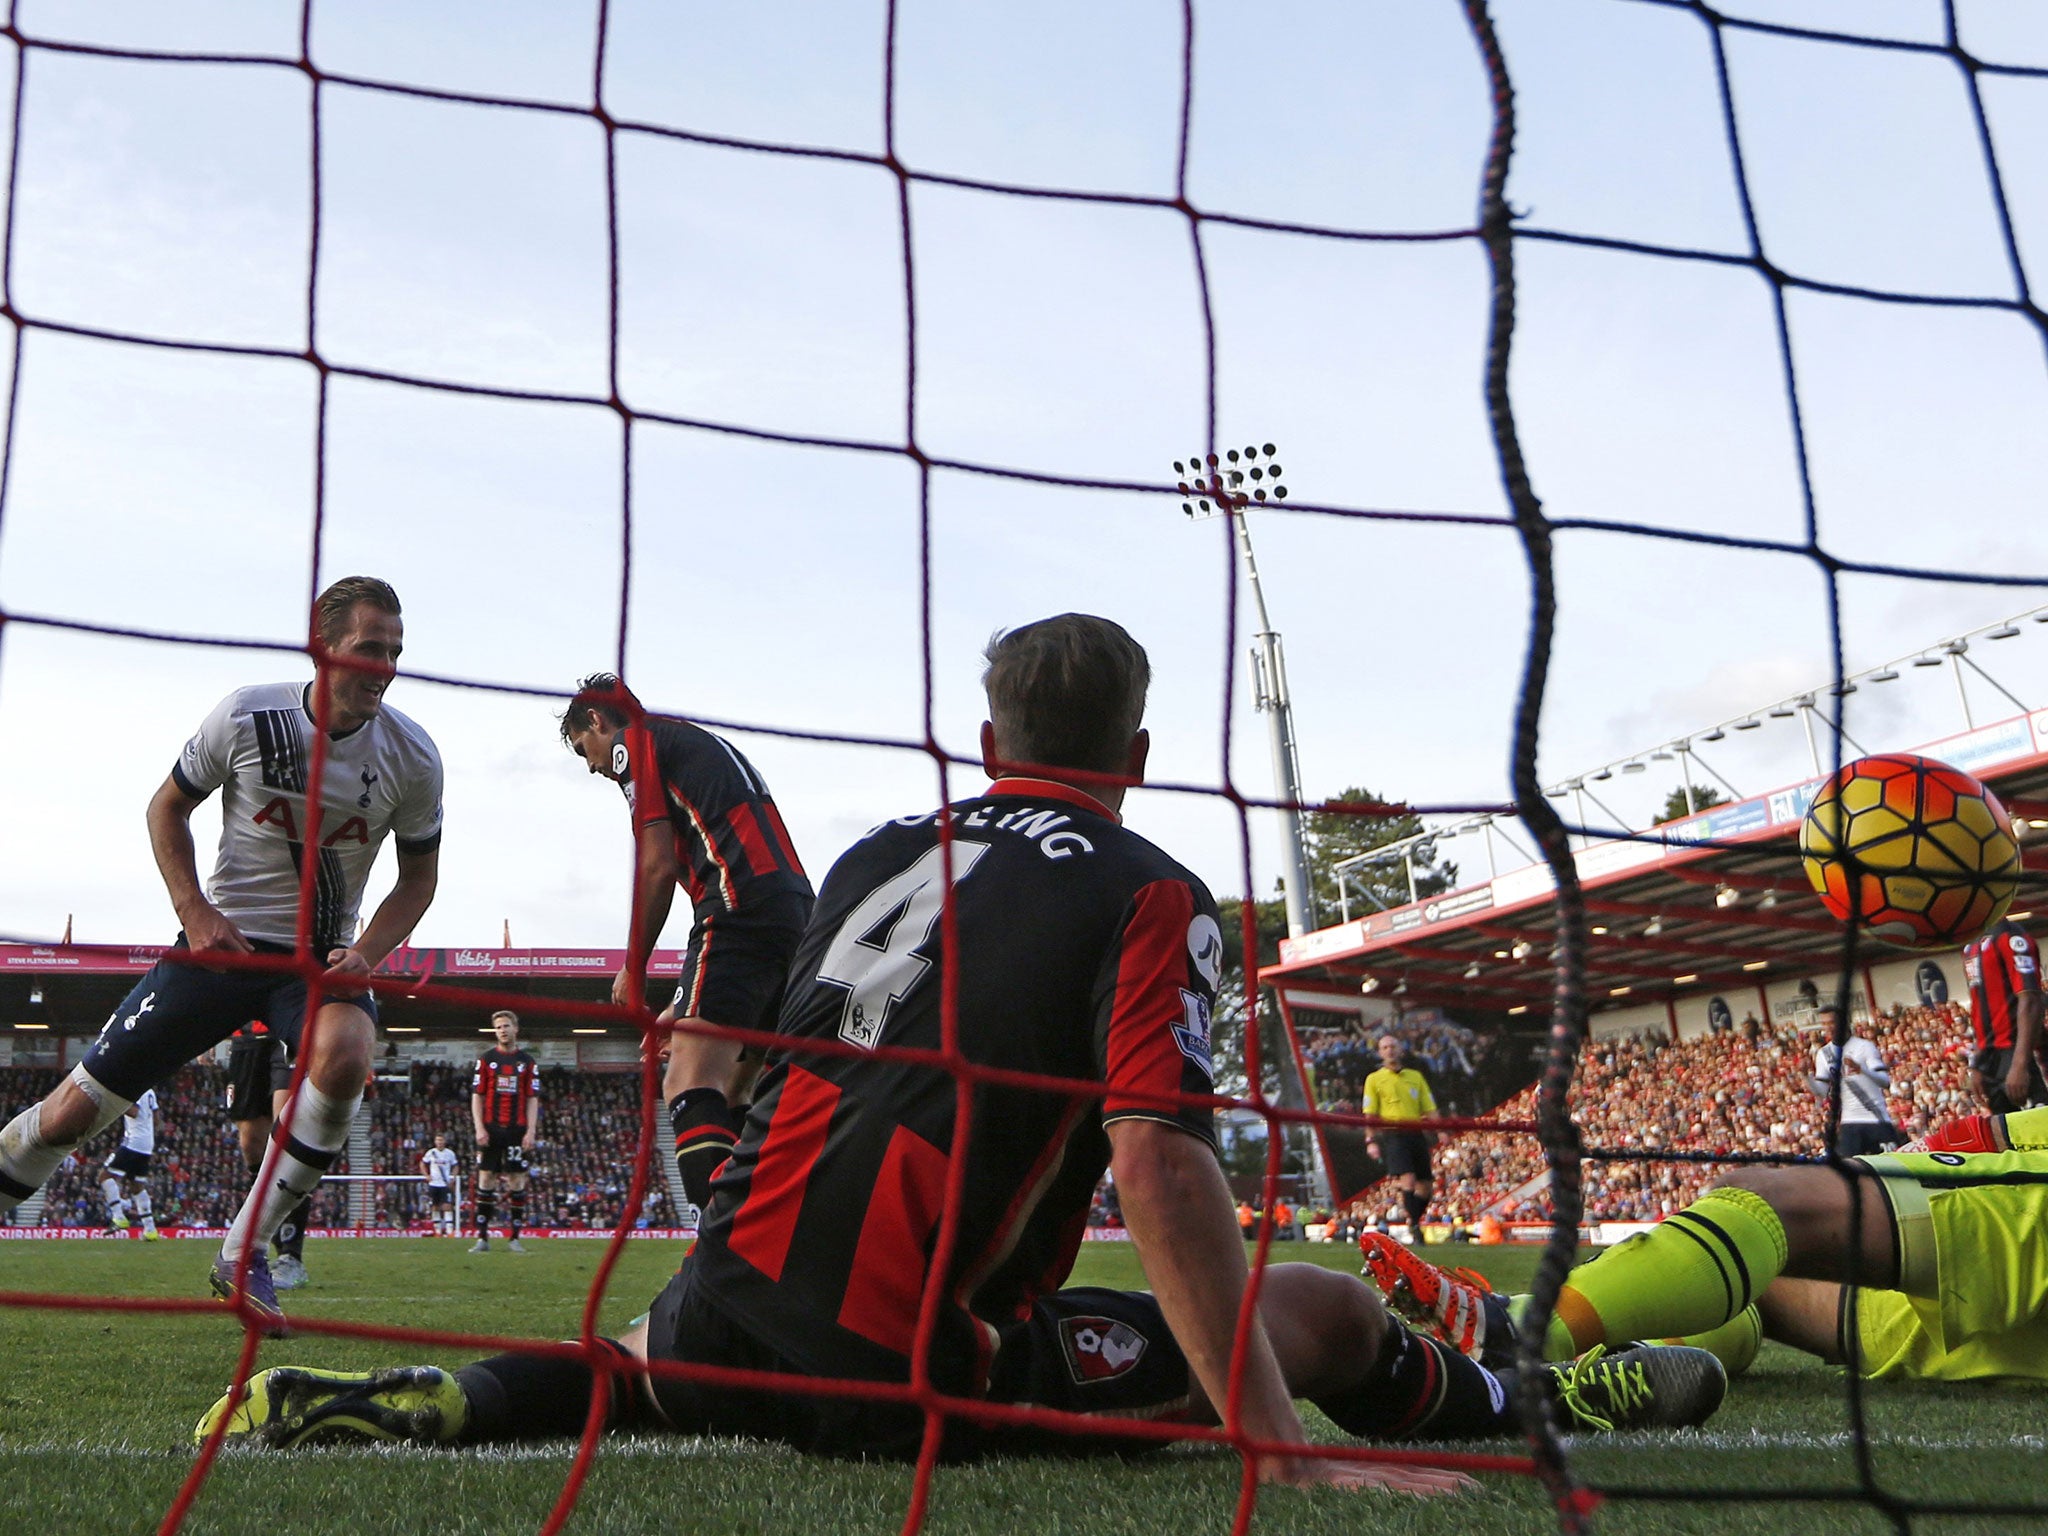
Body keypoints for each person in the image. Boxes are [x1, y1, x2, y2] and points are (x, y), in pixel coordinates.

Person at [198, 614, 1724, 1480]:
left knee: (634, 1369)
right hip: (911, 1363)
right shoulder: (1152, 893)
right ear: (1137, 758)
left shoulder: (872, 854)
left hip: (724, 1301)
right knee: (1315, 1309)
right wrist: (1283, 1447)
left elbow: (784, 1082)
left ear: (988, 747)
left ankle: (395, 1396)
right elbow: (1157, 1159)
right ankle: (1538, 1406)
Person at [0, 576, 442, 1332]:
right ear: (323, 645)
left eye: (396, 651)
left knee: (346, 1055)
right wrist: (194, 911)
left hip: (316, 966)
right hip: (221, 948)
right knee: (70, 1117)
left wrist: (366, 952)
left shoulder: (412, 757)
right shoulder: (246, 715)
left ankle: (245, 1250)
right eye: (371, 648)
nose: (386, 667)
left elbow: (419, 878)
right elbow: (166, 806)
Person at [1363, 1101, 2048, 1386]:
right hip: (1939, 1322)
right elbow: (1978, 1136)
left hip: (2008, 1248)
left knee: (1767, 1199)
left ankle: (1518, 1334)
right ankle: (1610, 1374)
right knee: (1753, 1264)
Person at [558, 673, 814, 1211]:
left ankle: (718, 1257)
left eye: (586, 749)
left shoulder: (637, 742)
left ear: (598, 722)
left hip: (735, 905)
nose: (592, 766)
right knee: (738, 1092)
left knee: (687, 1083)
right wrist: (681, 1001)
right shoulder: (698, 740)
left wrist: (633, 966)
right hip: (791, 916)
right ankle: (761, 1243)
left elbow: (657, 865)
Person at [222, 1021, 316, 1289]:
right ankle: (263, 1250)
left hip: (287, 1030)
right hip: (246, 1039)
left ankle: (290, 1256)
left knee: (286, 1133)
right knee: (251, 1143)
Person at [470, 1011, 540, 1253]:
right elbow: (477, 1096)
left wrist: (530, 1131)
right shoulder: (486, 1060)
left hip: (516, 1130)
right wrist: (479, 1127)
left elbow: (532, 1098)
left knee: (516, 1180)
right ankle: (482, 1238)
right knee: (486, 1178)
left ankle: (515, 1238)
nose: (502, 1030)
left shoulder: (527, 1062)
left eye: (506, 1026)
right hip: (490, 1129)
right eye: (498, 1026)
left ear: (515, 1029)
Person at [1960, 917, 2045, 1113]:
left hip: (2019, 1052)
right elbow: (1978, 1006)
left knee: (2041, 1132)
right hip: (1990, 1060)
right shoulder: (1970, 944)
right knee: (2006, 1138)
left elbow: (2031, 999)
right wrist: (1978, 1063)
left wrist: (2020, 1064)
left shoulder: (2012, 937)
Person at [1362, 1035, 1437, 1242]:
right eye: (1385, 1047)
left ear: (1400, 1049)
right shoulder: (1374, 1079)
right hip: (1394, 1133)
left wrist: (1441, 1131)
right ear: (1380, 1052)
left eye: (1393, 1046)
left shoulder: (1415, 1076)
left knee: (1426, 1186)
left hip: (1416, 1132)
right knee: (1409, 1179)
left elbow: (1429, 1107)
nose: (1389, 1050)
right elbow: (1369, 1114)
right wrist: (1371, 1140)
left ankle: (1414, 1219)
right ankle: (1414, 1227)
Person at [1807, 1005, 1902, 1157]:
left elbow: (1885, 1081)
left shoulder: (1864, 1046)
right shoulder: (1824, 1053)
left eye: (1831, 1022)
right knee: (1847, 1174)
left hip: (1876, 1120)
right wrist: (1805, 1076)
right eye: (1824, 1024)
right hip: (1849, 1123)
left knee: (1891, 1168)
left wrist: (1861, 1069)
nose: (1827, 1028)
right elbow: (1822, 1092)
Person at [100, 1090, 161, 1239]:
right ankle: (150, 1229)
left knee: (104, 1176)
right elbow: (156, 1119)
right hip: (147, 1145)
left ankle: (118, 1216)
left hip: (133, 1142)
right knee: (136, 1186)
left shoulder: (136, 1088)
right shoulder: (150, 1091)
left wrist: (115, 1102)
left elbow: (133, 1111)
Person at [420, 1133, 459, 1237]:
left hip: (445, 1184)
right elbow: (422, 1163)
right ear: (435, 1142)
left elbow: (455, 1166)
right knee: (435, 1207)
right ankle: (438, 1231)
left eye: (441, 1140)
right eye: (438, 1140)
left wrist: (453, 1177)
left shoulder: (450, 1153)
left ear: (444, 1141)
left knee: (447, 1206)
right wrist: (426, 1175)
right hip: (434, 1184)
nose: (440, 1142)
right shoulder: (431, 1152)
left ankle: (450, 1231)